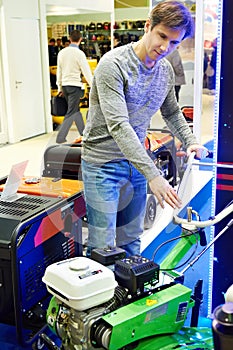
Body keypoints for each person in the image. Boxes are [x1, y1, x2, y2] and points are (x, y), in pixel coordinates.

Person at [81, 0, 209, 258]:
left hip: (136, 164)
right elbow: (119, 124)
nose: (165, 47)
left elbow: (171, 111)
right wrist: (154, 175)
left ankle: (129, 295)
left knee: (131, 239)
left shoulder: (164, 71)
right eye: (162, 36)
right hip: (102, 165)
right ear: (148, 26)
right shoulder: (113, 65)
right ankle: (103, 296)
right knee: (102, 245)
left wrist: (190, 140)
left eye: (174, 43)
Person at [56, 30, 93, 143]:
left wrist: (59, 87)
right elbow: (86, 71)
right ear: (80, 40)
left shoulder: (62, 52)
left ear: (70, 39)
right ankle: (60, 137)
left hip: (65, 86)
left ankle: (84, 134)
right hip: (75, 86)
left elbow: (59, 71)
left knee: (75, 111)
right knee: (71, 111)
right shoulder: (79, 54)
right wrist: (93, 85)